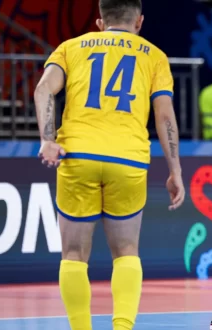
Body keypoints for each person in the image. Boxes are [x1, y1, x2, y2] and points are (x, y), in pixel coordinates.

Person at [34, 1, 185, 329]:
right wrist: (175, 170)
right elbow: (163, 115)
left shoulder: (70, 48)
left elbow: (45, 88)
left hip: (78, 156)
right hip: (128, 160)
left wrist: (47, 138)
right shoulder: (154, 56)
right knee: (127, 251)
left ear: (100, 21)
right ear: (139, 21)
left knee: (73, 255)